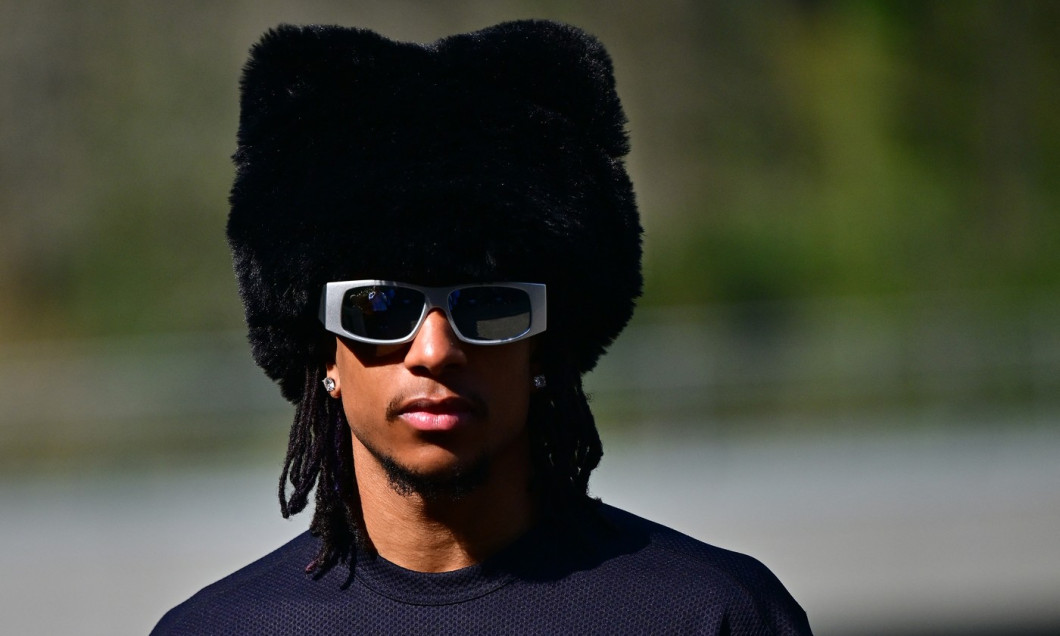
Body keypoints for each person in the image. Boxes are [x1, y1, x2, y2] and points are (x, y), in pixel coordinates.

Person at [152, 20, 812, 635]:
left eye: (490, 308)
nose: (435, 351)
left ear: (543, 347)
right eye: (379, 309)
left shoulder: (710, 615)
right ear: (323, 351)